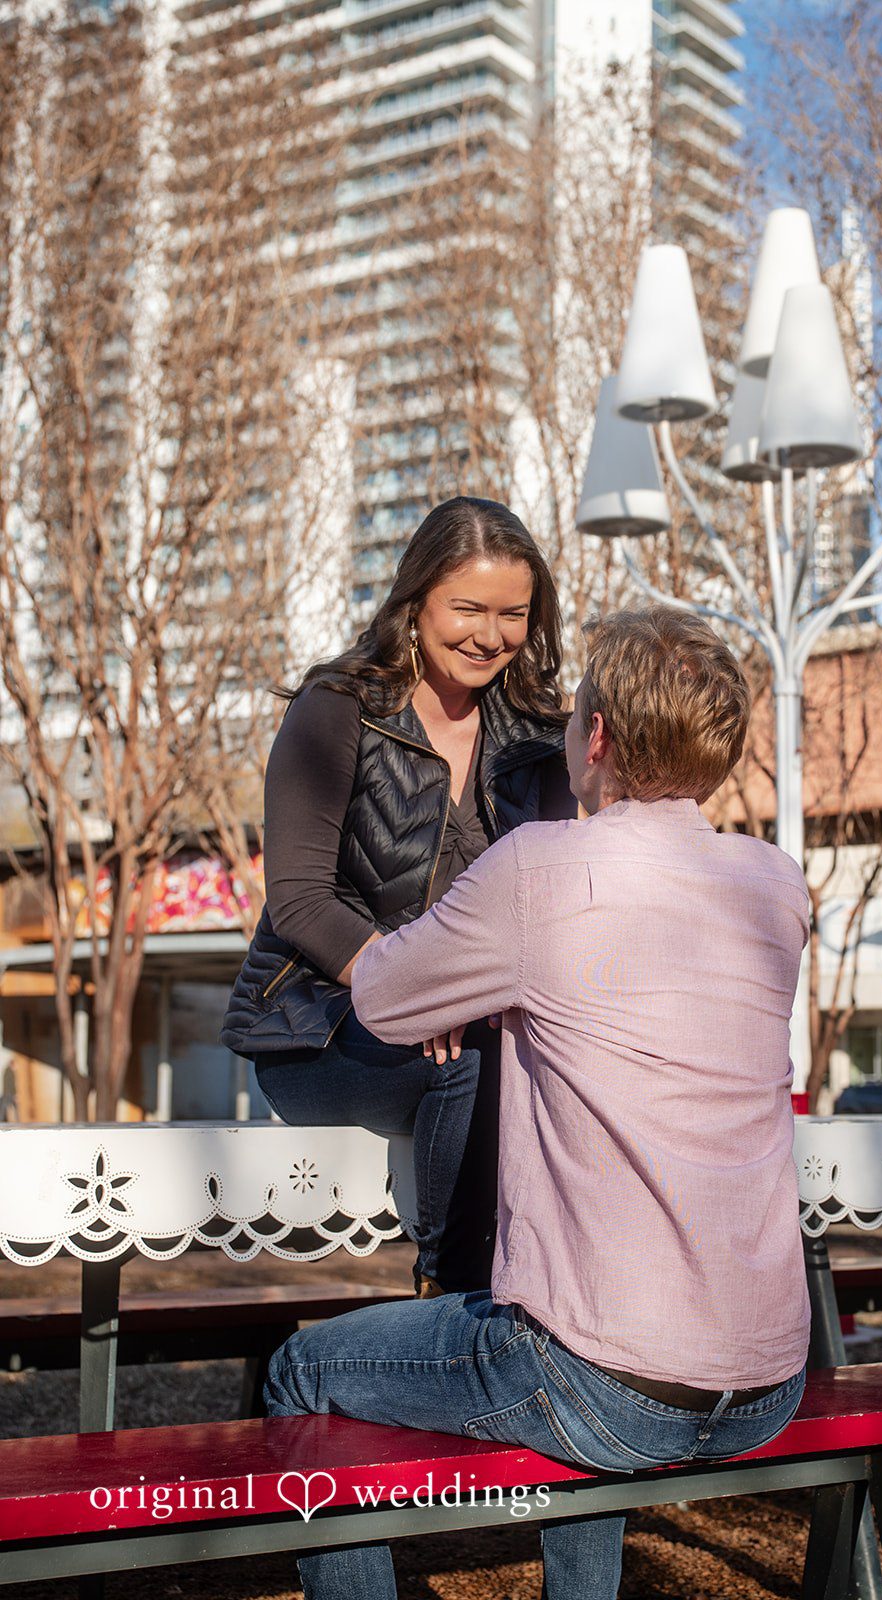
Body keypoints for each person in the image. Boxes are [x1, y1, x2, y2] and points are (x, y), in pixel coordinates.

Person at [265, 606, 812, 1600]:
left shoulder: (540, 868)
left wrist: (456, 970)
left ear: (594, 737)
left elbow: (385, 996)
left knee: (306, 1371)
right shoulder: (774, 886)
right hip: (765, 1379)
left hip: (606, 1387)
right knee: (576, 1327)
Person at [221, 497, 574, 1295]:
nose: (490, 635)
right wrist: (419, 993)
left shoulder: (539, 737)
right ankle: (452, 1303)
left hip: (477, 1026)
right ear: (415, 603)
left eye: (513, 614)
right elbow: (302, 901)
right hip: (317, 1031)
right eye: (469, 609)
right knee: (473, 1063)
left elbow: (547, 907)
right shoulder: (337, 709)